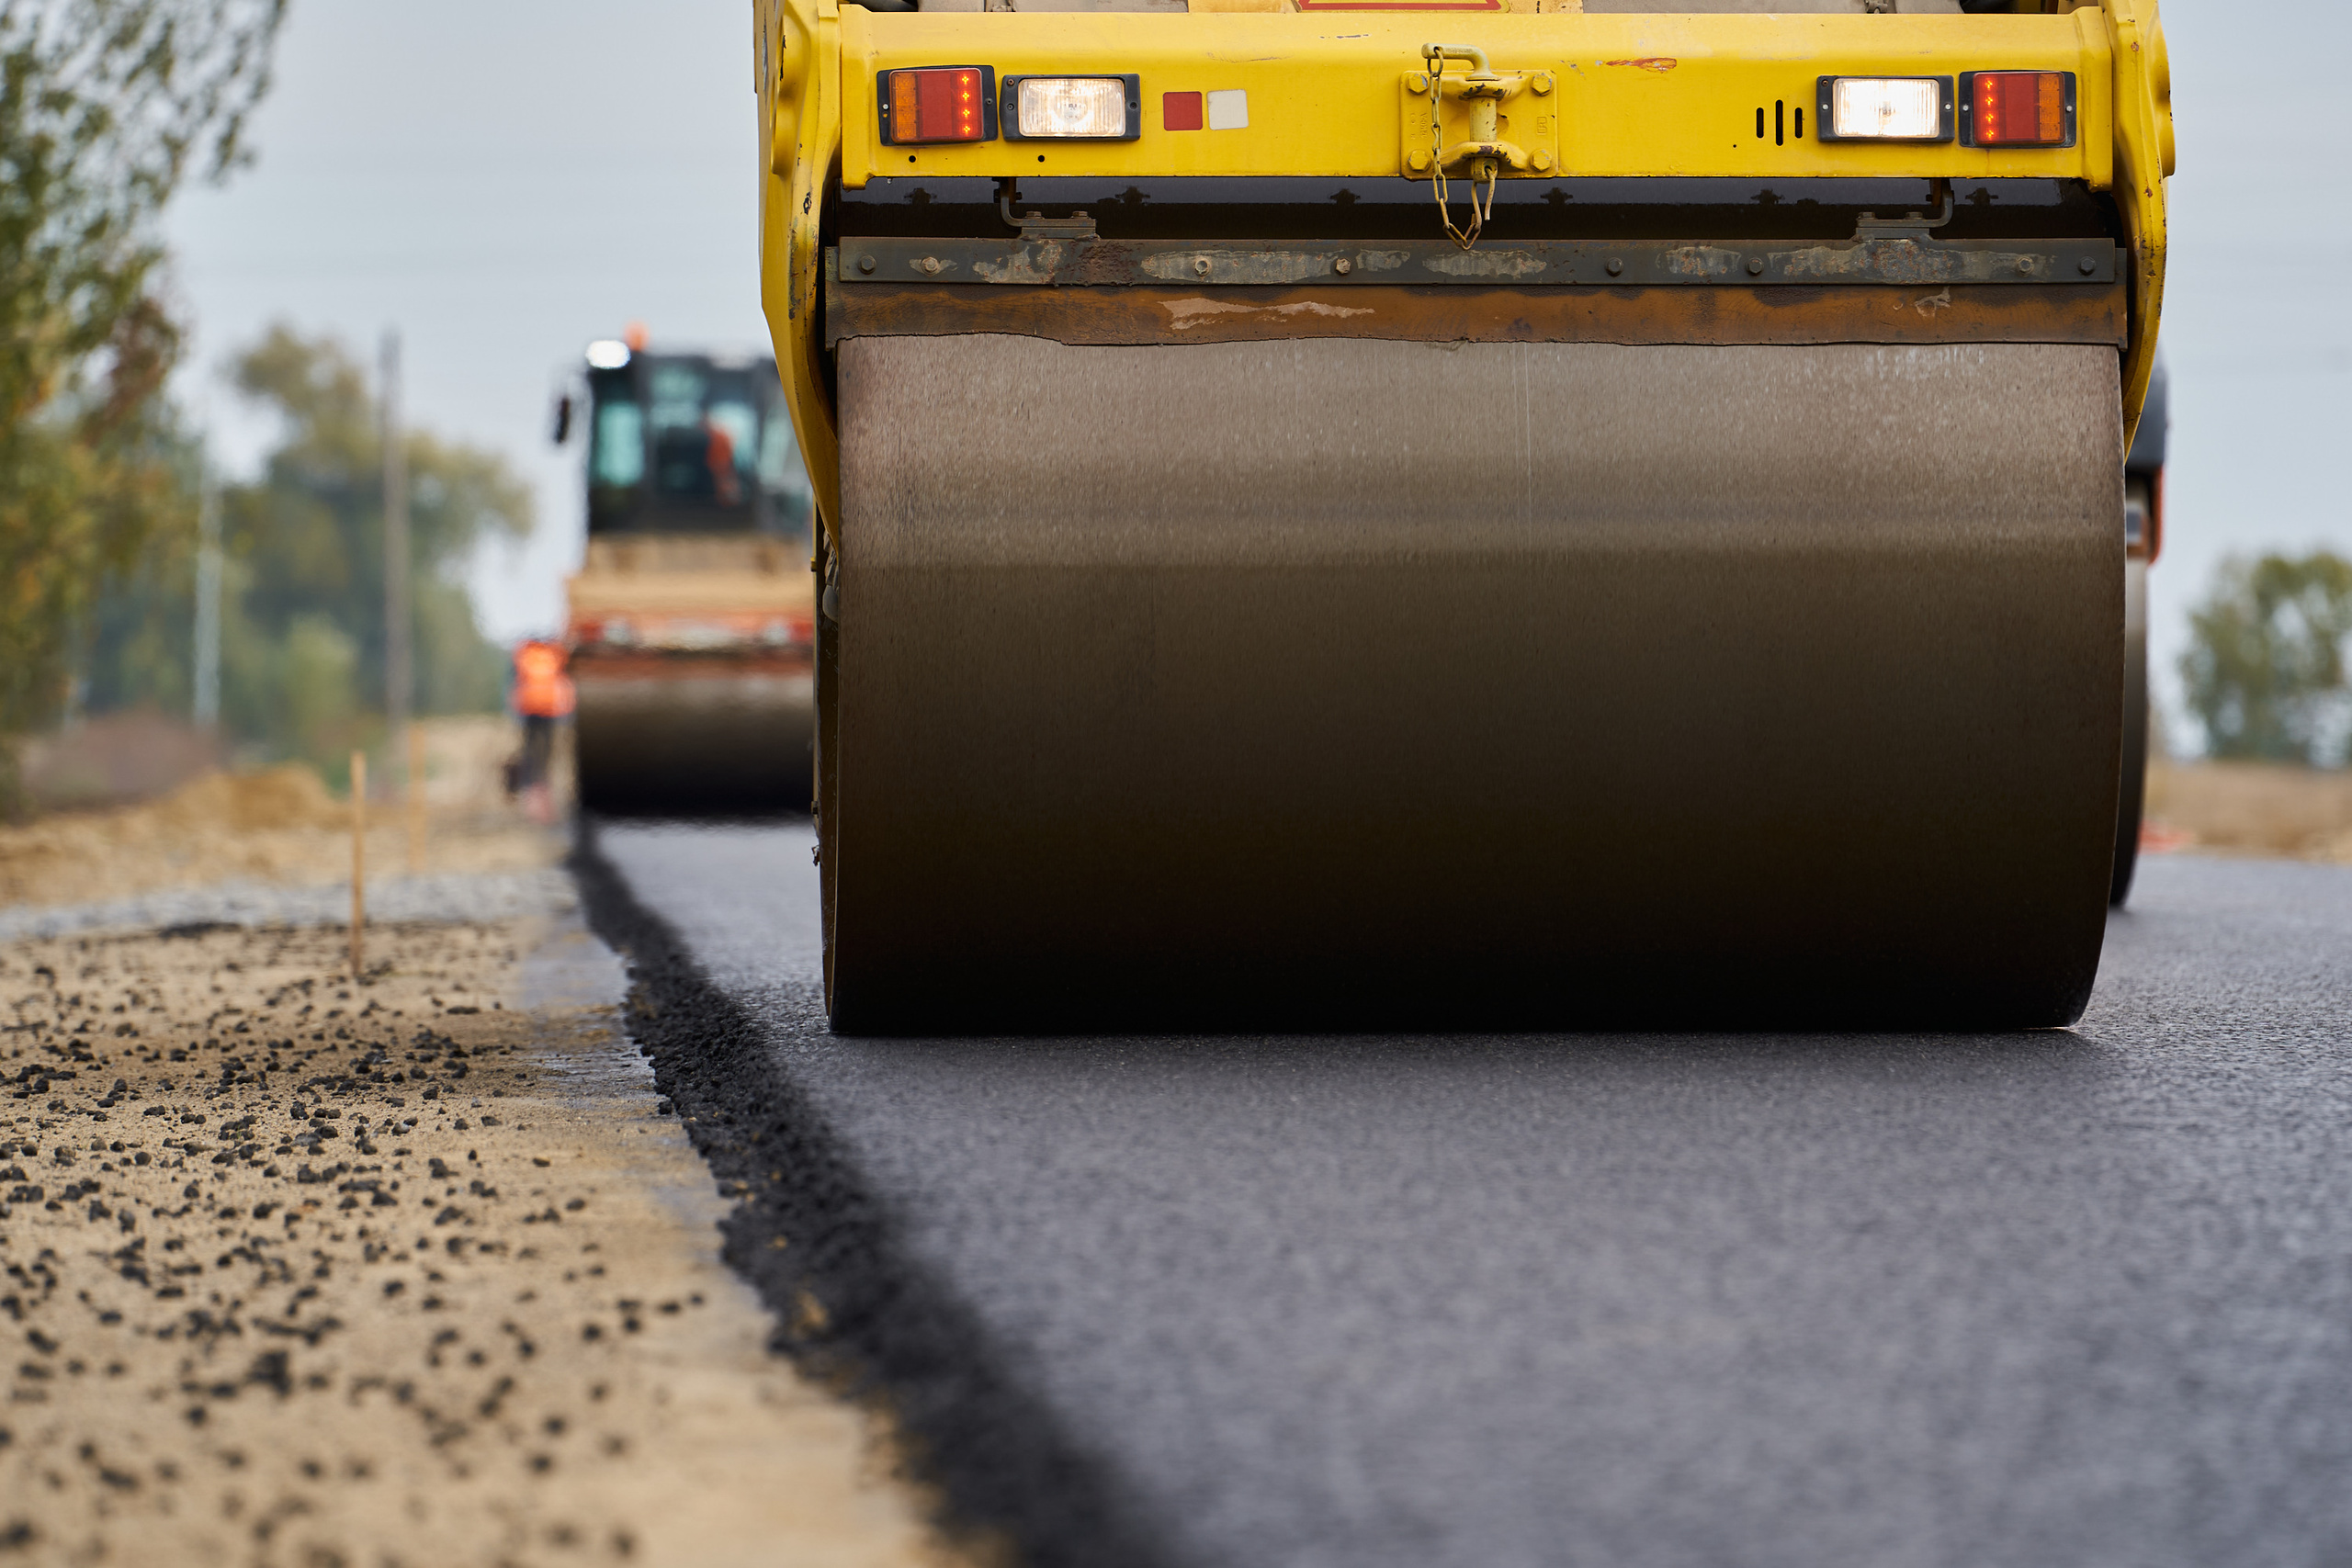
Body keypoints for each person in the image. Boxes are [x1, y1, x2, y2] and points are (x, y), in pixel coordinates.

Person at [511, 638, 575, 824]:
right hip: (550, 709)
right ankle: (543, 797)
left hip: (530, 708)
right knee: (546, 756)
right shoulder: (555, 652)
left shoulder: (524, 652)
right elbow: (565, 679)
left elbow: (514, 680)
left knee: (531, 755)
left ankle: (533, 798)